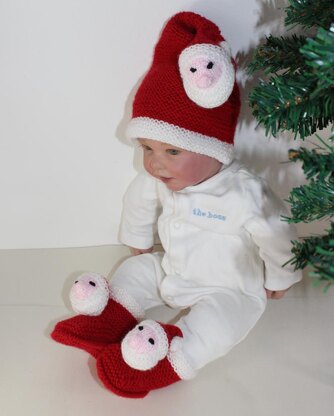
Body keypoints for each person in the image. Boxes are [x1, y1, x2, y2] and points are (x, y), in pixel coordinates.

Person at [51, 11, 302, 398]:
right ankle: (108, 317)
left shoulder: (243, 192)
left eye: (171, 150)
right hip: (170, 268)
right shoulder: (161, 179)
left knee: (217, 327)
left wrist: (280, 276)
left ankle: (166, 354)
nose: (155, 163)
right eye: (147, 148)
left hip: (228, 287)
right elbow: (138, 201)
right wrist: (137, 239)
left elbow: (277, 231)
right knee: (136, 270)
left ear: (212, 148)